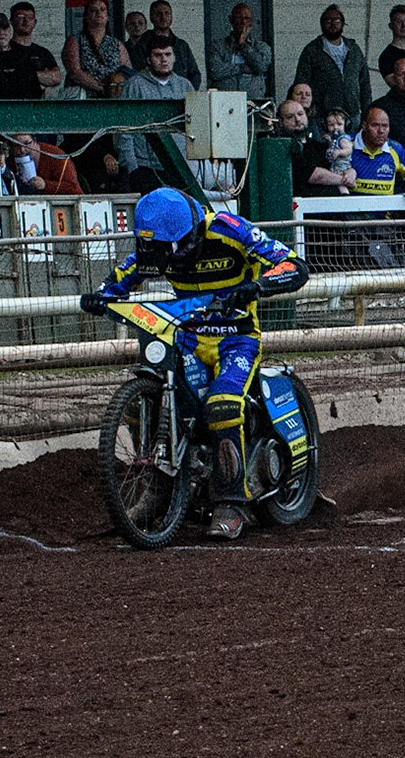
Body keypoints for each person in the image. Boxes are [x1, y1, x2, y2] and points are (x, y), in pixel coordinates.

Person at [77, 187, 309, 540]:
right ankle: (159, 488)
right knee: (142, 407)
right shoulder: (158, 246)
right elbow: (124, 276)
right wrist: (102, 296)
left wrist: (258, 286)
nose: (171, 258)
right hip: (185, 336)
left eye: (175, 249)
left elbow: (293, 264)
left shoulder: (231, 229)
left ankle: (232, 503)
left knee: (223, 406)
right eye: (161, 251)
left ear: (191, 232)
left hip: (236, 338)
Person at [119, 34, 196, 192]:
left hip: (180, 165)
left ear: (174, 57)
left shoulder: (185, 86)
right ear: (148, 59)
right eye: (158, 55)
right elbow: (124, 130)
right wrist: (132, 167)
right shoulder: (135, 85)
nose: (164, 60)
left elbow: (196, 127)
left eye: (168, 54)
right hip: (145, 166)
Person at [292, 5, 373, 133]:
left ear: (343, 24)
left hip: (353, 116)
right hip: (321, 117)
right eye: (328, 21)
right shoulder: (312, 50)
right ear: (321, 24)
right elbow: (301, 83)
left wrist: (368, 114)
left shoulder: (354, 49)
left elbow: (365, 85)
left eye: (336, 21)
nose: (332, 24)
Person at [275, 99, 352, 196]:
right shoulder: (282, 147)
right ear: (281, 121)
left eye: (300, 114)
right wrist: (345, 180)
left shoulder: (318, 146)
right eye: (290, 117)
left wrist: (351, 172)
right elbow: (313, 175)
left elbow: (337, 164)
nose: (298, 119)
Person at [349, 107, 405, 196]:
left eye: (385, 126)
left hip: (385, 209)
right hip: (351, 208)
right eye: (375, 125)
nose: (381, 131)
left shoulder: (395, 149)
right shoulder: (347, 144)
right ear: (364, 126)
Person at [62, 0, 131, 97]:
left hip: (113, 99)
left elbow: (125, 71)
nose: (99, 13)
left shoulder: (117, 44)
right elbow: (75, 72)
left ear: (107, 16)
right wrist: (102, 88)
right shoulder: (75, 41)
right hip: (84, 98)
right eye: (94, 10)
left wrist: (115, 89)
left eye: (103, 10)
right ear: (86, 16)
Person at [129, 0, 202, 89]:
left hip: (180, 95)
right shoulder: (142, 44)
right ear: (151, 18)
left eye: (167, 13)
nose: (163, 17)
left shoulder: (182, 45)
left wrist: (188, 94)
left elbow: (194, 74)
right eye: (158, 14)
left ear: (171, 17)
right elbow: (137, 70)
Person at [206, 3, 272, 98]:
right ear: (231, 20)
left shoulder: (261, 46)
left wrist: (243, 45)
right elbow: (215, 71)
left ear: (251, 22)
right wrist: (242, 68)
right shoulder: (217, 46)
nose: (243, 22)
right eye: (239, 18)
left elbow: (261, 66)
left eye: (247, 18)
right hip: (223, 100)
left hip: (252, 100)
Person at [7, 2, 62, 91]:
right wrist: (40, 80)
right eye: (21, 17)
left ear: (35, 22)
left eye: (30, 18)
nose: (26, 21)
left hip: (38, 103)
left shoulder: (42, 53)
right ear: (11, 21)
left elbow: (56, 77)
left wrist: (22, 76)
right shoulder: (4, 50)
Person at [0, 12, 44, 99]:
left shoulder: (22, 56)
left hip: (23, 110)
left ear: (10, 30)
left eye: (4, 28)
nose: (1, 33)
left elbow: (35, 91)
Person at [10, 133, 81, 194]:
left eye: (26, 144)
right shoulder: (10, 158)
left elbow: (73, 187)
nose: (22, 149)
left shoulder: (55, 155)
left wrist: (45, 185)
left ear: (35, 141)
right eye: (17, 145)